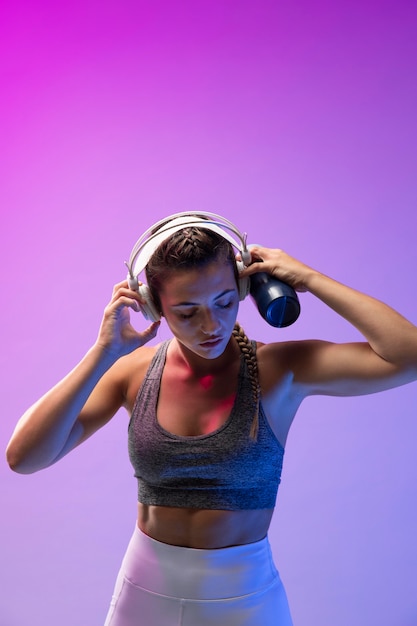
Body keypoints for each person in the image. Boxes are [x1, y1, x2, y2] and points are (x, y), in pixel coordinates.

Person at [6, 212, 417, 626]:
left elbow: (409, 357)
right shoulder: (132, 372)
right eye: (187, 312)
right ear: (153, 307)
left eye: (223, 301)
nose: (211, 325)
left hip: (245, 599)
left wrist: (309, 278)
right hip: (144, 593)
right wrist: (102, 353)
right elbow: (24, 457)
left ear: (243, 286)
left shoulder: (281, 369)